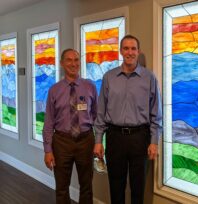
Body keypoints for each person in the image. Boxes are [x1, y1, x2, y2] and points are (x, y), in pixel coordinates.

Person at [93, 35, 162, 204]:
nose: (129, 52)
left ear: (138, 52)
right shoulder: (109, 77)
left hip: (140, 138)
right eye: (126, 48)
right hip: (114, 137)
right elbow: (101, 110)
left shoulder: (149, 78)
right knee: (116, 186)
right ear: (121, 51)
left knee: (138, 188)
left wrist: (154, 141)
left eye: (133, 48)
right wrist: (98, 140)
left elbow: (156, 113)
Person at [43, 48, 98, 204]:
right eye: (69, 60)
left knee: (86, 186)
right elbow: (48, 122)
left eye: (76, 60)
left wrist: (99, 141)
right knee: (61, 187)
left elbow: (96, 115)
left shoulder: (90, 87)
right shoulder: (54, 90)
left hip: (86, 140)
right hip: (61, 142)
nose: (73, 64)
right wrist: (48, 150)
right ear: (62, 63)